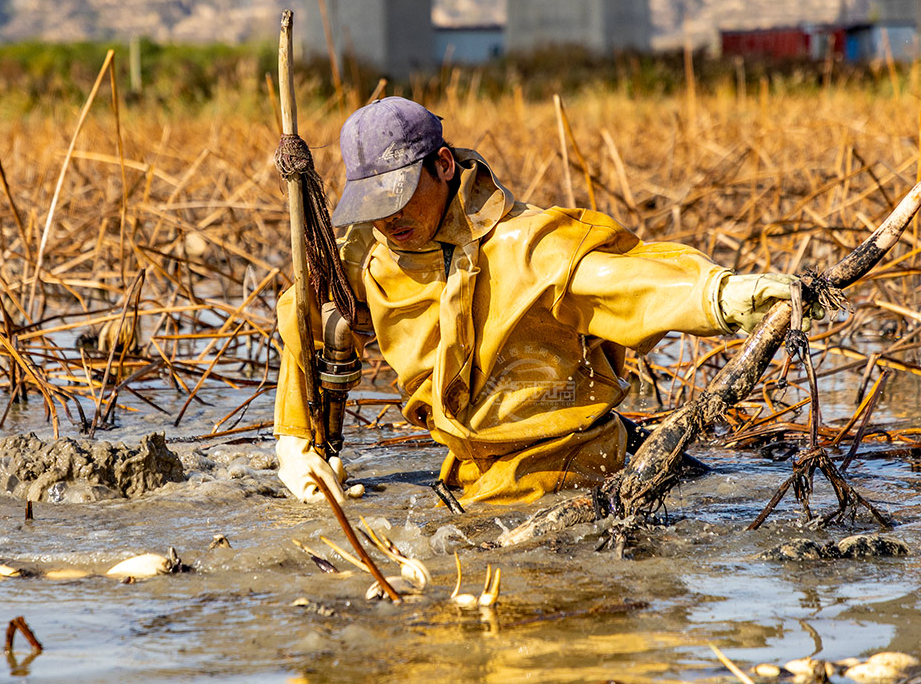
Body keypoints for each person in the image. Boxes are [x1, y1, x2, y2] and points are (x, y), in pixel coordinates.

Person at [274, 97, 805, 506]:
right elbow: (305, 310)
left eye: (399, 196)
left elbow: (626, 281)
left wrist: (723, 296)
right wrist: (295, 442)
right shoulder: (372, 253)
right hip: (473, 478)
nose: (389, 218)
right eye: (373, 203)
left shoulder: (527, 245)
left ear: (442, 165)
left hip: (577, 469)